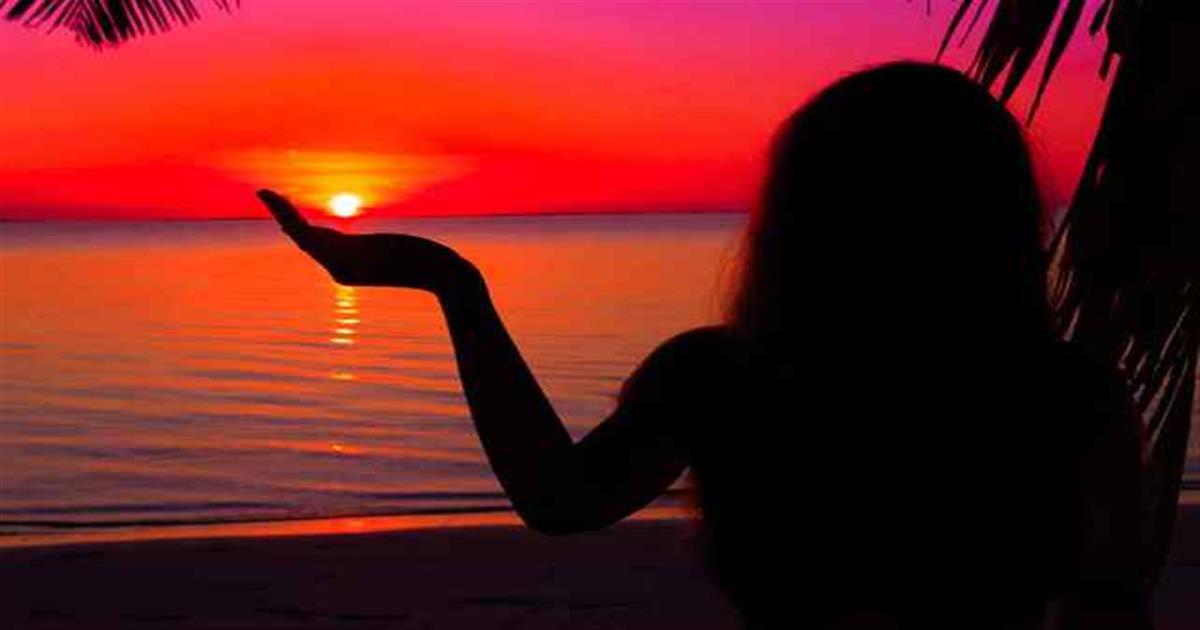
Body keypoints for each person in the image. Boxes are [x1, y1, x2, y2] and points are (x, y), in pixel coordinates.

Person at [260, 62, 1147, 629]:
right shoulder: (1067, 393)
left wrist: (454, 286)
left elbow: (560, 500)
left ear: (803, 215)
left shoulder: (723, 378)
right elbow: (1110, 607)